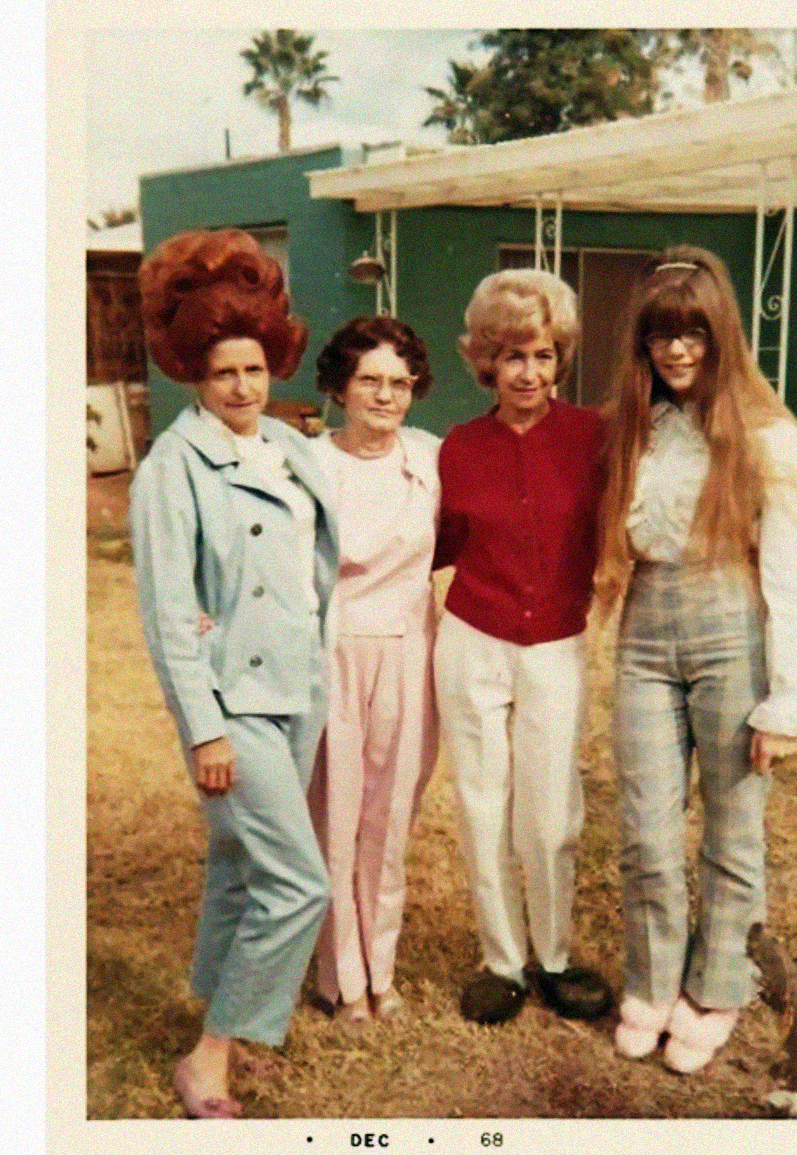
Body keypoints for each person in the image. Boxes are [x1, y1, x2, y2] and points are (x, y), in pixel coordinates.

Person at [595, 245, 797, 1073]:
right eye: (661, 334)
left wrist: (784, 699)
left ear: (721, 333)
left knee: (732, 827)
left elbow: (793, 566)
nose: (678, 350)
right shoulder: (637, 425)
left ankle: (718, 986)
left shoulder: (768, 435)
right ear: (644, 344)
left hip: (732, 621)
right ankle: (653, 983)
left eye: (693, 332)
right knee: (647, 827)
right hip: (648, 623)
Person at [130, 229, 339, 1117]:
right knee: (301, 882)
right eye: (224, 374)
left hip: (298, 688)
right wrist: (205, 726)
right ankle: (211, 1053)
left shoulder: (289, 449)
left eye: (255, 369)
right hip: (233, 703)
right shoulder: (170, 469)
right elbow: (170, 614)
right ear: (194, 376)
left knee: (244, 868)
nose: (244, 388)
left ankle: (228, 1012)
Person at [433, 268, 613, 1026]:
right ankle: (501, 959)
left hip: (555, 644)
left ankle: (557, 956)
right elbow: (435, 544)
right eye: (512, 357)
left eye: (542, 355)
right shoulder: (459, 447)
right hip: (474, 634)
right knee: (482, 802)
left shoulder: (592, 437)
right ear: (485, 362)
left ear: (560, 357)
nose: (528, 373)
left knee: (548, 813)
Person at [307, 316, 440, 1026]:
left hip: (408, 651)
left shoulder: (431, 459)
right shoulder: (307, 462)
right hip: (331, 651)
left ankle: (380, 970)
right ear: (338, 386)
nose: (386, 395)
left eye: (399, 382)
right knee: (333, 817)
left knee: (388, 822)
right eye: (370, 381)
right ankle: (339, 977)